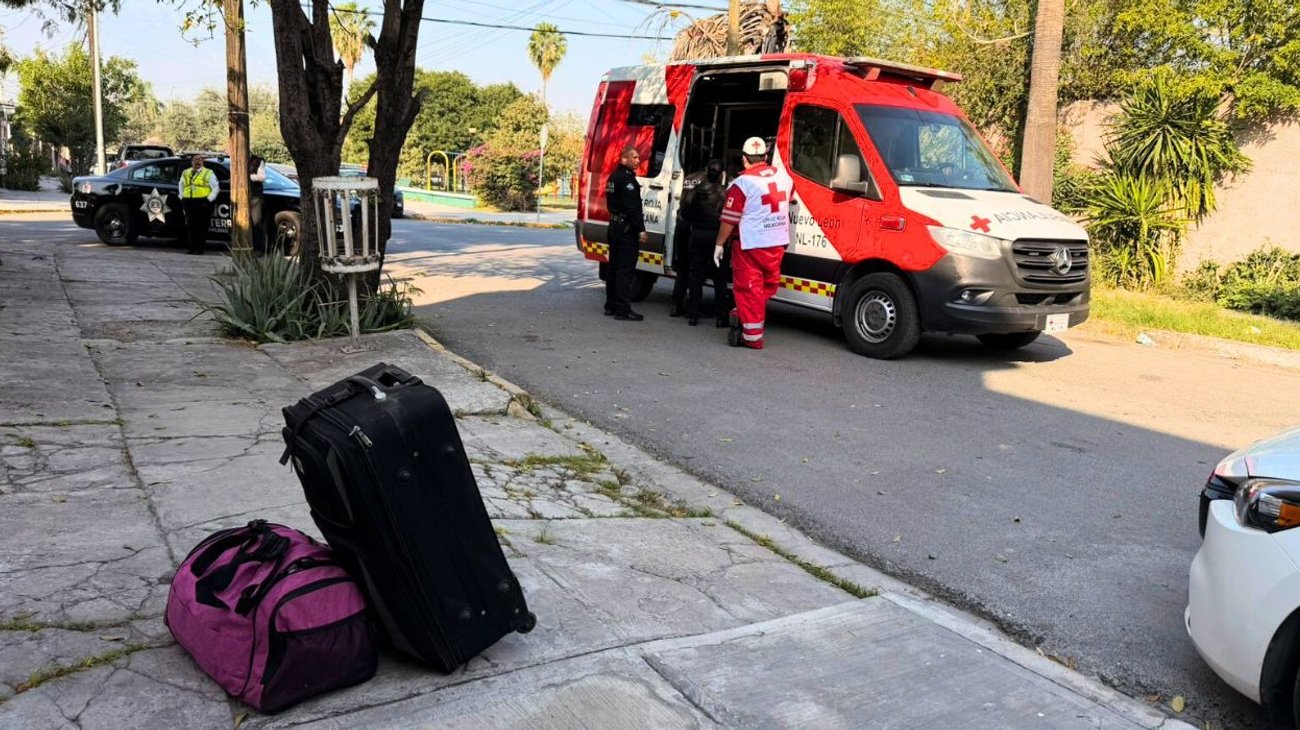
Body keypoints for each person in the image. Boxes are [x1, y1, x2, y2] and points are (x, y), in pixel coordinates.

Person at [714, 137, 794, 350]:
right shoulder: (785, 178)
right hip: (777, 243)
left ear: (744, 159)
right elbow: (790, 199)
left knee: (748, 289)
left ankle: (752, 337)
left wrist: (719, 244)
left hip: (750, 244)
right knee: (766, 285)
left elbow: (729, 219)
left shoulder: (742, 184)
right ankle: (744, 313)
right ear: (765, 156)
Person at [680, 159, 727, 326]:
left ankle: (693, 314)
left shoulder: (695, 191)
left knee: (696, 276)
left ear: (707, 172)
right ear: (722, 175)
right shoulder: (725, 193)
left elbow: (685, 213)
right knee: (719, 278)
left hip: (697, 235)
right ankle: (721, 317)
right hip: (716, 238)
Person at [604, 146, 647, 321]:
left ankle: (610, 305)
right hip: (625, 229)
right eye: (634, 157)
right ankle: (623, 309)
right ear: (623, 159)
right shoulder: (626, 179)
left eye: (638, 157)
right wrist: (641, 229)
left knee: (613, 268)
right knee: (625, 270)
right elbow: (632, 208)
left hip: (614, 226)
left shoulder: (614, 176)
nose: (638, 160)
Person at [179, 154, 218, 255]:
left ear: (202, 162)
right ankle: (192, 248)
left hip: (202, 202)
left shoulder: (208, 173)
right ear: (191, 162)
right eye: (195, 160)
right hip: (189, 201)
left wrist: (208, 200)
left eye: (199, 160)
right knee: (191, 226)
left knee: (202, 226)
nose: (197, 162)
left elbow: (216, 188)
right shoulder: (186, 172)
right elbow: (181, 184)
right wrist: (182, 197)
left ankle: (200, 248)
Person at [249, 153, 266, 252]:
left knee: (256, 223)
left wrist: (248, 176)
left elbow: (262, 177)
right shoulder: (237, 160)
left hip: (255, 197)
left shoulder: (258, 161)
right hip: (243, 196)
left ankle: (259, 248)